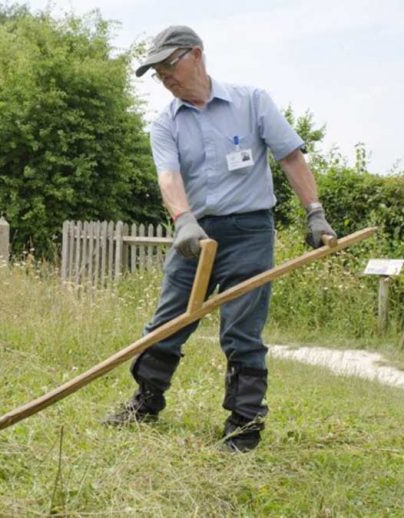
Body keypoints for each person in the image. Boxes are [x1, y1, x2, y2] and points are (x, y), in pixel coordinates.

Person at [102, 25, 336, 452]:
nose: (165, 78)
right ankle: (146, 402)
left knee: (242, 330)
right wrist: (183, 221)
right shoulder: (164, 124)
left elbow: (290, 157)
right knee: (167, 321)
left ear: (195, 55)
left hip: (249, 232)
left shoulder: (251, 102)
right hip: (195, 235)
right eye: (157, 73)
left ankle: (244, 426)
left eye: (168, 66)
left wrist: (315, 213)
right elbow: (169, 177)